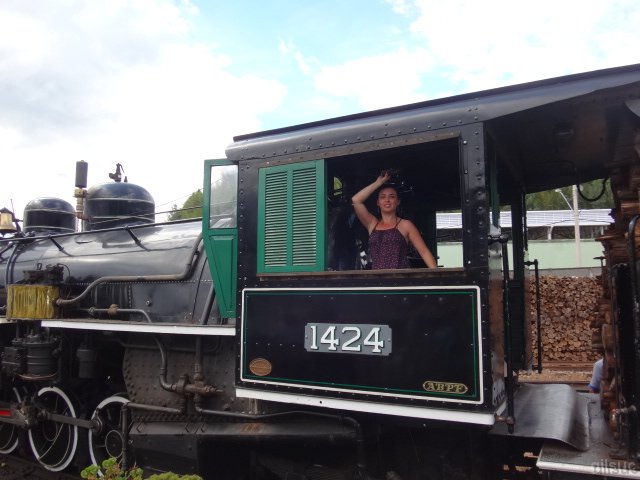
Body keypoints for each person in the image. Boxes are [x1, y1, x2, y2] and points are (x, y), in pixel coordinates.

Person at [352, 171, 437, 270]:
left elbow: (424, 252)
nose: (387, 200)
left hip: (400, 277)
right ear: (378, 202)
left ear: (397, 202)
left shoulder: (405, 225)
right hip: (377, 278)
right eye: (383, 197)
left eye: (392, 197)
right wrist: (378, 182)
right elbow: (356, 200)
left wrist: (436, 275)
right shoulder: (372, 224)